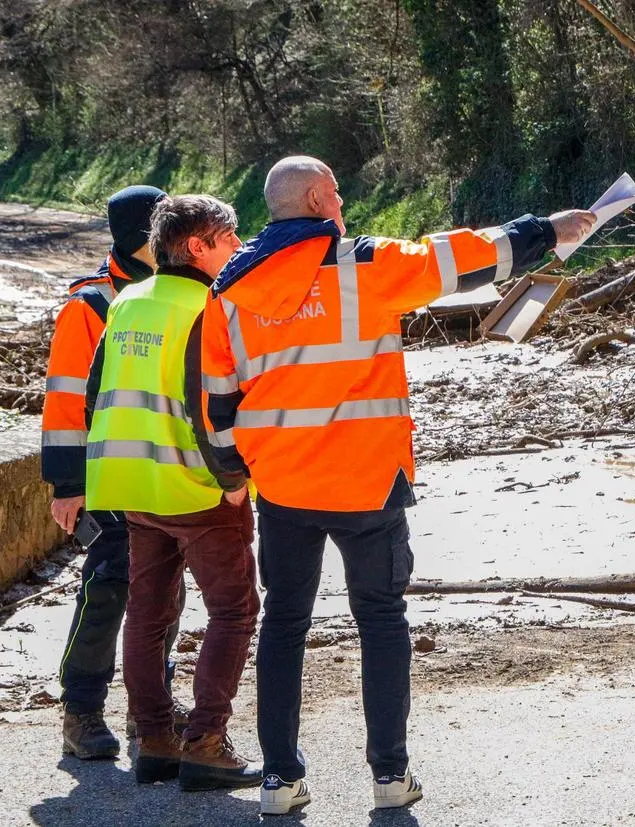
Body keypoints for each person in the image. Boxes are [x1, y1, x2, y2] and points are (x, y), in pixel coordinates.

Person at [200, 155, 596, 815]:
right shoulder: (365, 264)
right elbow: (461, 256)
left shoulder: (230, 290)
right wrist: (547, 232)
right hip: (367, 478)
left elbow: (215, 404)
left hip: (286, 487)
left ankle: (279, 780)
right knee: (381, 619)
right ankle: (389, 775)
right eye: (339, 190)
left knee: (285, 624)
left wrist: (234, 473)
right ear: (322, 197)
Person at [83, 194, 262, 790]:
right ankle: (206, 742)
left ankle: (154, 737)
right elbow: (212, 405)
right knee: (234, 612)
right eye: (228, 236)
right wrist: (234, 481)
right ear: (196, 246)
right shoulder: (210, 305)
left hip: (130, 483)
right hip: (198, 487)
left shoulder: (127, 300)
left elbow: (93, 394)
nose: (238, 245)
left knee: (148, 614)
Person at [41, 185, 184, 758]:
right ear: (142, 240)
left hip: (169, 470)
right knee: (107, 588)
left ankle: (149, 710)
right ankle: (81, 710)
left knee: (164, 591)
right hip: (104, 478)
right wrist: (67, 485)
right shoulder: (90, 306)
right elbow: (64, 399)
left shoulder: (182, 290)